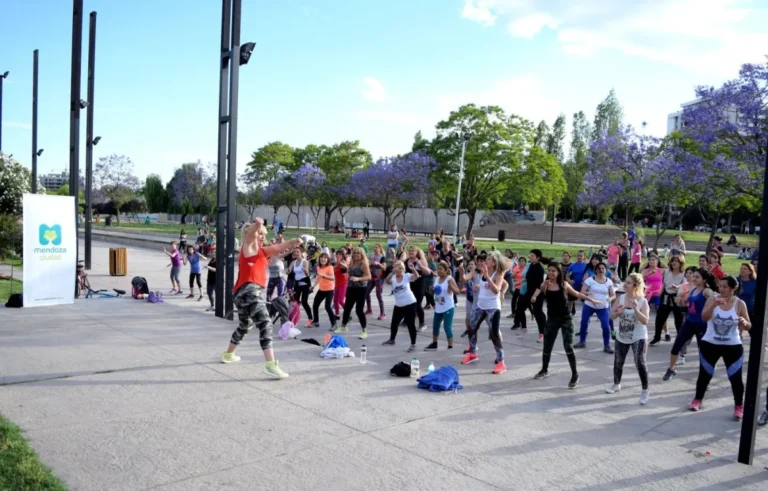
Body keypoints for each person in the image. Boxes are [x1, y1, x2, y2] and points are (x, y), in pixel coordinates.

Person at [220, 219, 302, 378]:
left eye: (264, 234)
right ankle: (270, 364)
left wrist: (292, 241)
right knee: (265, 323)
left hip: (242, 293)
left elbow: (278, 247)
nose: (263, 237)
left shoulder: (262, 252)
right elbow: (250, 236)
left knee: (245, 325)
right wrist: (257, 225)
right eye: (260, 234)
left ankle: (228, 354)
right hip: (249, 291)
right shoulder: (248, 247)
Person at [689, 276, 751, 418]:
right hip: (710, 343)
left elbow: (749, 325)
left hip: (732, 345)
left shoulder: (739, 304)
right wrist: (713, 305)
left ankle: (739, 406)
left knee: (735, 378)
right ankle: (697, 399)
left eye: (725, 286)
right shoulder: (712, 300)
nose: (721, 289)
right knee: (704, 375)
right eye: (720, 286)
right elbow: (704, 317)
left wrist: (744, 323)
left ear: (733, 289)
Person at [531, 262, 594, 389]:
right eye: (549, 270)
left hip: (566, 319)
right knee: (547, 346)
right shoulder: (545, 284)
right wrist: (534, 296)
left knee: (568, 347)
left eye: (553, 271)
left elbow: (576, 294)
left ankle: (575, 375)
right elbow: (539, 289)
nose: (550, 273)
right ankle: (544, 370)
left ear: (559, 272)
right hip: (552, 320)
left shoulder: (564, 284)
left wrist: (591, 300)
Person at [662, 268, 717, 380]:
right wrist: (680, 301)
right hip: (689, 323)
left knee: (703, 353)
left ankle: (704, 377)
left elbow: (714, 296)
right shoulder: (694, 289)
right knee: (676, 346)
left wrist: (716, 299)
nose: (694, 278)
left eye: (697, 277)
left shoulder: (706, 291)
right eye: (694, 276)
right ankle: (671, 369)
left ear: (704, 280)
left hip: (702, 325)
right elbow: (685, 302)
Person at [461, 251, 509, 375]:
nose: (485, 261)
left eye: (488, 259)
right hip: (480, 306)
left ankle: (501, 362)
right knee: (471, 327)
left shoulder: (498, 274)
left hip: (493, 307)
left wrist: (487, 277)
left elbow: (496, 290)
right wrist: (479, 286)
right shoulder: (482, 271)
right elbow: (481, 284)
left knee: (494, 334)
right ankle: (472, 353)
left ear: (494, 262)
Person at [607, 273, 651, 404]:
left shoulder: (642, 301)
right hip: (622, 336)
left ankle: (645, 390)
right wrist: (618, 312)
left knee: (640, 362)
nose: (625, 285)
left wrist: (636, 309)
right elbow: (611, 316)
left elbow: (645, 321)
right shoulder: (620, 298)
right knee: (618, 361)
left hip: (638, 336)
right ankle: (616, 384)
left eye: (628, 283)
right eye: (625, 282)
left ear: (636, 286)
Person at [575, 262, 615, 353]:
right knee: (584, 322)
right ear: (596, 270)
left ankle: (607, 346)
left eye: (603, 268)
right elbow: (582, 292)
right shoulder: (590, 280)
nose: (601, 270)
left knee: (605, 326)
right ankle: (582, 342)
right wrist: (587, 293)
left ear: (606, 270)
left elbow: (613, 295)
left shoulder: (609, 281)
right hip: (589, 305)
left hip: (603, 307)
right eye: (599, 268)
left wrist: (610, 299)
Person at [382, 260, 421, 351]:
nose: (398, 269)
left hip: (410, 303)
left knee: (410, 324)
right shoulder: (393, 277)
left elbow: (416, 276)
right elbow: (387, 281)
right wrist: (392, 273)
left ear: (403, 269)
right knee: (394, 323)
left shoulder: (406, 276)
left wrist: (413, 269)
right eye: (396, 267)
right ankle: (392, 340)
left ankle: (413, 344)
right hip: (399, 304)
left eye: (400, 268)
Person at [334, 247, 372, 339]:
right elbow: (347, 272)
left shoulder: (363, 264)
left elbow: (369, 276)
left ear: (361, 255)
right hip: (351, 288)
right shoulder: (351, 263)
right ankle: (343, 326)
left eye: (358, 253)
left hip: (361, 289)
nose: (355, 255)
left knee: (359, 310)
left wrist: (358, 279)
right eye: (354, 253)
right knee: (347, 308)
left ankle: (364, 331)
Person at [424, 261, 460, 351]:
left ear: (446, 270)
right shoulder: (436, 279)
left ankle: (450, 346)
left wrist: (451, 287)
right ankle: (434, 344)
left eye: (441, 269)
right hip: (438, 307)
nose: (438, 271)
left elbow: (457, 291)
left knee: (447, 327)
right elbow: (432, 293)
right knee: (435, 326)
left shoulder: (449, 279)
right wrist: (431, 289)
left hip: (448, 307)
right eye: (438, 269)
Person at [650, 256, 685, 345]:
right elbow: (664, 283)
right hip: (666, 296)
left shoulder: (683, 273)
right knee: (660, 318)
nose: (674, 263)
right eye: (672, 261)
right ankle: (657, 337)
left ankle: (680, 339)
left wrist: (678, 287)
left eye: (676, 261)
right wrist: (660, 291)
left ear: (680, 263)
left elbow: (685, 285)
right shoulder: (667, 272)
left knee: (678, 320)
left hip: (677, 297)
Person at [405, 246, 431, 331]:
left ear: (417, 253)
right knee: (408, 303)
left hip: (419, 285)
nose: (411, 252)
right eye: (409, 250)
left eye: (413, 251)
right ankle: (406, 320)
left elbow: (428, 272)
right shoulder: (406, 261)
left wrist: (420, 265)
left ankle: (422, 323)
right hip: (409, 285)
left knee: (417, 304)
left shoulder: (420, 261)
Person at [288, 248, 313, 327]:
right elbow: (289, 270)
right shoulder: (293, 262)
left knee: (304, 302)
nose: (296, 253)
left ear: (301, 253)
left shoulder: (304, 261)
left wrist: (305, 270)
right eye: (295, 252)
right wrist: (288, 271)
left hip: (305, 284)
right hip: (297, 284)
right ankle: (296, 316)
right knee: (295, 301)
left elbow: (307, 274)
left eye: (297, 252)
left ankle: (310, 319)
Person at [311, 253, 336, 329]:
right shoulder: (318, 267)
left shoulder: (330, 267)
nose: (323, 259)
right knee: (315, 305)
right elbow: (318, 278)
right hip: (321, 289)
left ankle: (334, 324)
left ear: (327, 259)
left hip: (329, 290)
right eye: (321, 258)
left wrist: (324, 276)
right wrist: (313, 286)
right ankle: (316, 322)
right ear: (319, 259)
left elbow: (332, 278)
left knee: (327, 307)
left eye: (325, 258)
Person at [366, 244, 386, 320]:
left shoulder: (382, 257)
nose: (375, 248)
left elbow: (384, 268)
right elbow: (368, 265)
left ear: (380, 249)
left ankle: (382, 313)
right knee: (366, 292)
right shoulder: (371, 256)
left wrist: (379, 264)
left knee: (378, 295)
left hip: (379, 278)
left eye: (376, 247)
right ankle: (369, 310)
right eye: (374, 247)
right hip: (372, 277)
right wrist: (369, 264)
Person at [566, 250, 588, 316]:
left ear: (584, 257)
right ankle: (569, 315)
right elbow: (567, 276)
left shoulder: (587, 266)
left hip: (583, 287)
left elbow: (590, 276)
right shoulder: (572, 266)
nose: (579, 257)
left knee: (586, 302)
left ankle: (586, 315)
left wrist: (585, 282)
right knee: (570, 301)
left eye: (581, 256)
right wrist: (570, 281)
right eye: (578, 256)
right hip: (573, 287)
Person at [333, 250, 349, 317]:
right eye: (337, 254)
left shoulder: (343, 262)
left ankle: (348, 313)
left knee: (341, 301)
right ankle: (337, 314)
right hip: (337, 284)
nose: (338, 255)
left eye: (340, 254)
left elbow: (346, 267)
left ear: (342, 256)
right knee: (335, 300)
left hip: (343, 283)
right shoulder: (336, 263)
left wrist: (339, 262)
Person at [204, 245, 217, 312]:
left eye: (214, 253)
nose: (213, 254)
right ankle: (212, 306)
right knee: (209, 293)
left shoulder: (219, 261)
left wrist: (209, 267)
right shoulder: (212, 260)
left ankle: (219, 306)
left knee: (218, 294)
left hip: (216, 280)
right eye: (212, 253)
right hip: (210, 279)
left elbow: (216, 270)